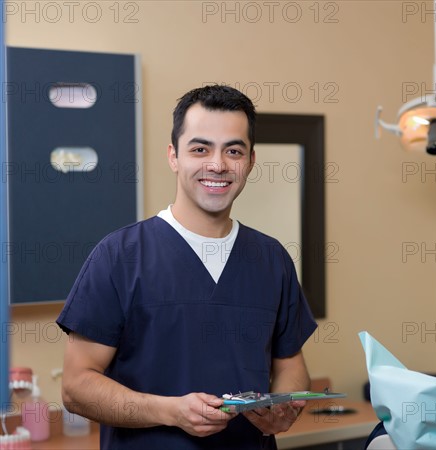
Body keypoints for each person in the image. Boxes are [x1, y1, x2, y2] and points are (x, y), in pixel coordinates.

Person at [56, 85, 318, 450]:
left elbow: (290, 364)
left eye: (234, 151)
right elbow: (76, 387)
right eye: (200, 149)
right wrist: (169, 411)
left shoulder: (271, 259)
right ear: (173, 156)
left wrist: (284, 406)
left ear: (251, 161)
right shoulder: (119, 256)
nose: (217, 165)